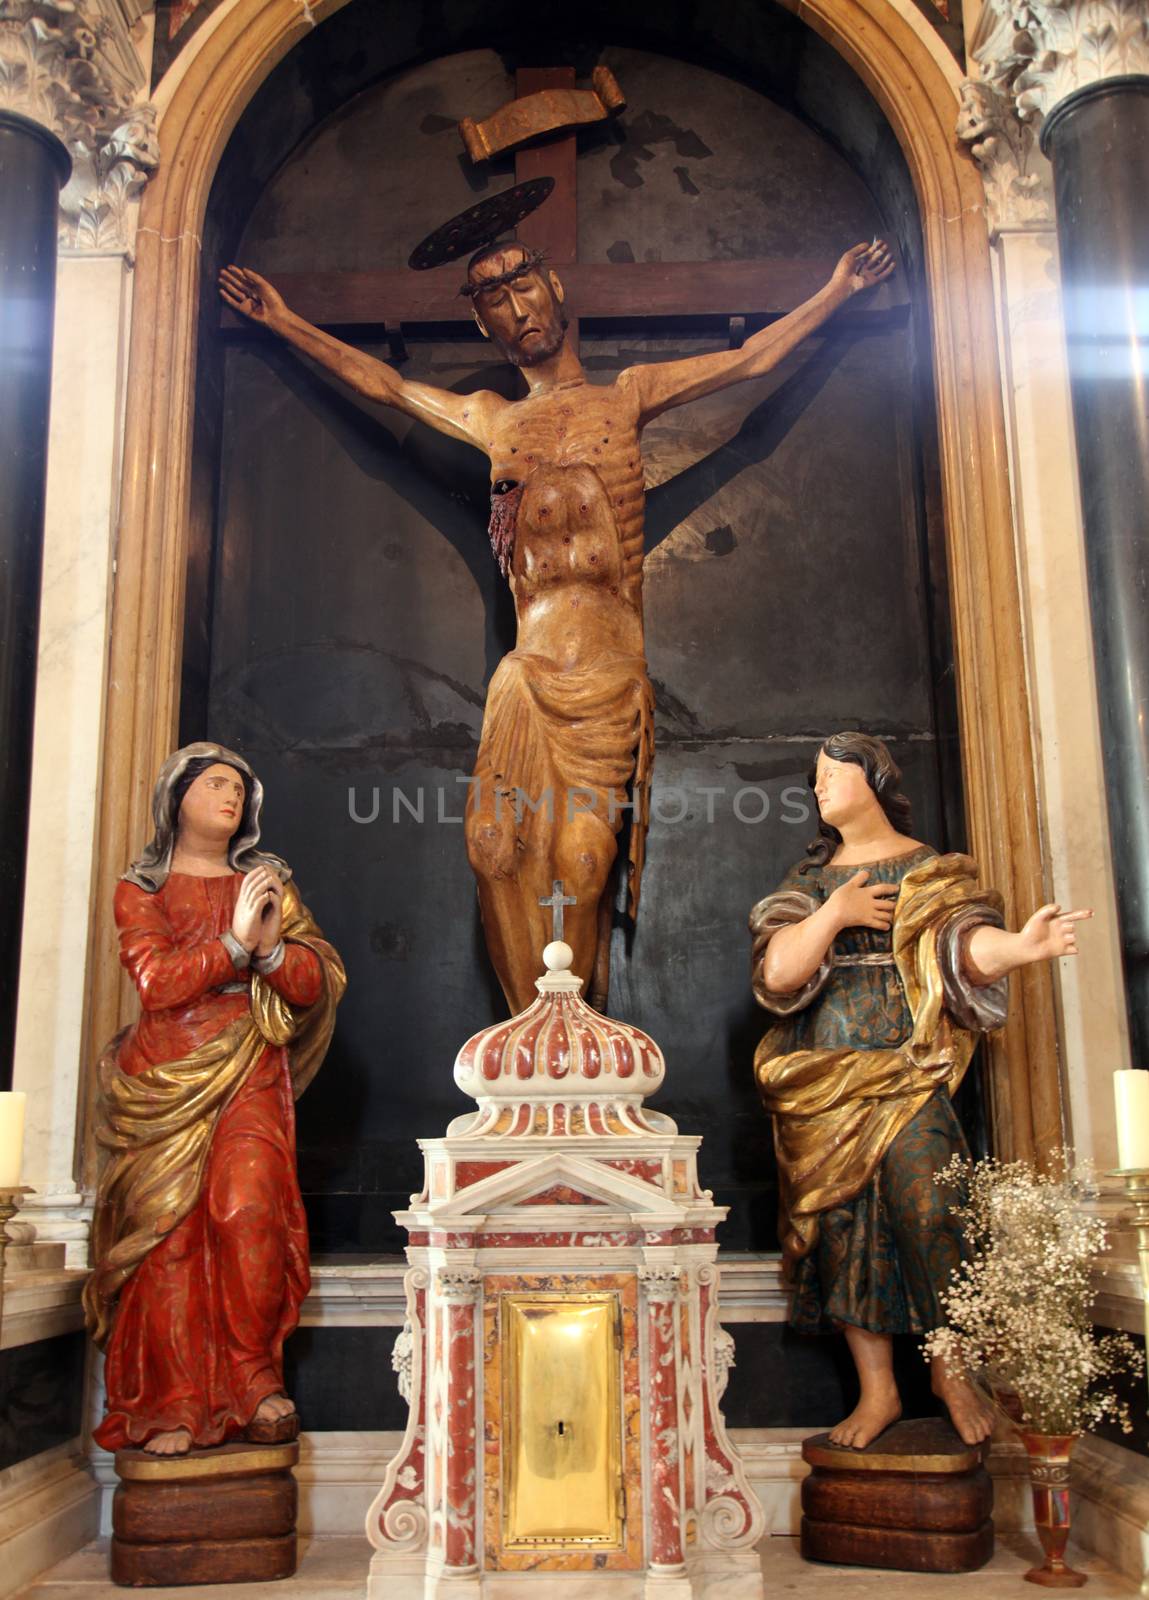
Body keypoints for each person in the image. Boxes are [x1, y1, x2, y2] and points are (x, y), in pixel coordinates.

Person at [219, 237, 895, 1013]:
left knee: (581, 856)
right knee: (491, 848)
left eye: (523, 286)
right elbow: (387, 387)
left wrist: (837, 289)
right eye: (493, 300)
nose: (515, 309)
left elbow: (748, 360)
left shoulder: (628, 396)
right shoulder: (491, 419)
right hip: (525, 676)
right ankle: (528, 1034)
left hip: (606, 678)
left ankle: (576, 1032)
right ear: (483, 326)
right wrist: (283, 322)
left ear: (556, 288)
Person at [749, 732, 1090, 1449]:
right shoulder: (810, 881)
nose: (818, 788)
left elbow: (962, 947)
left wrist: (1020, 950)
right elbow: (779, 974)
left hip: (907, 1070)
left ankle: (949, 1367)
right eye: (814, 778)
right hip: (823, 1078)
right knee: (841, 1232)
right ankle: (878, 1394)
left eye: (831, 774)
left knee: (931, 1206)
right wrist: (835, 914)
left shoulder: (924, 868)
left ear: (872, 779)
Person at [83, 742, 346, 1457]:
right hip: (164, 1077)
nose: (231, 797)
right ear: (178, 797)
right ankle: (170, 1400)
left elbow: (312, 981)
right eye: (215, 784)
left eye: (240, 787)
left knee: (248, 1211)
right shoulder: (140, 888)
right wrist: (232, 946)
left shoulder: (266, 884)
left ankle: (252, 1377)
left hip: (248, 1066)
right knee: (167, 1235)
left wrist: (266, 953)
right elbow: (158, 984)